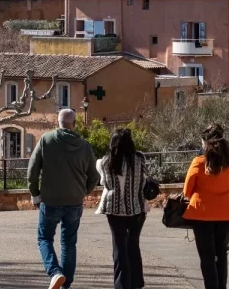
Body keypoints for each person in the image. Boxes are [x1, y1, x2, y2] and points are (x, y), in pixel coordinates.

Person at [27, 109, 99, 289]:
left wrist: (35, 194)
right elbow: (94, 176)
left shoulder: (46, 140)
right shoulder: (84, 145)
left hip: (50, 200)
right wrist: (84, 191)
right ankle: (66, 284)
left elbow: (32, 170)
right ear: (74, 124)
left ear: (58, 123)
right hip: (74, 200)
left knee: (44, 238)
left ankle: (55, 272)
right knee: (69, 242)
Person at [183, 124, 229, 289]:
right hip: (226, 213)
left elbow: (187, 191)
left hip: (201, 213)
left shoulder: (198, 162)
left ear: (205, 143)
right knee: (221, 253)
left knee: (206, 257)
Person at [96, 129, 149, 289]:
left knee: (119, 247)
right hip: (137, 208)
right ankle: (136, 281)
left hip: (115, 209)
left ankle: (121, 284)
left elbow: (104, 183)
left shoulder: (104, 162)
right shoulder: (139, 160)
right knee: (133, 244)